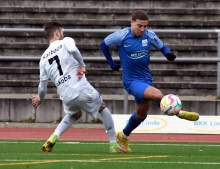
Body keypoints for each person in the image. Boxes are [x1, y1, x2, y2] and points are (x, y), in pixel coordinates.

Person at [100, 10, 199, 152]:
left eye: (145, 26)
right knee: (158, 95)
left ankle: (123, 135)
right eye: (139, 26)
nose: (142, 29)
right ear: (131, 23)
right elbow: (103, 44)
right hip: (131, 81)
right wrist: (111, 63)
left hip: (146, 79)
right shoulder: (121, 36)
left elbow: (161, 46)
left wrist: (168, 54)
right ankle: (179, 112)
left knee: (141, 115)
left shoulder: (149, 35)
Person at [32, 21, 125, 153]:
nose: (63, 35)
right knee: (102, 107)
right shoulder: (66, 41)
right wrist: (82, 64)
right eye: (62, 32)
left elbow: (42, 86)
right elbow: (73, 50)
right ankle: (113, 144)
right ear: (58, 33)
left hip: (65, 94)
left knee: (74, 114)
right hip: (80, 87)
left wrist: (40, 98)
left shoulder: (43, 59)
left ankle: (54, 136)